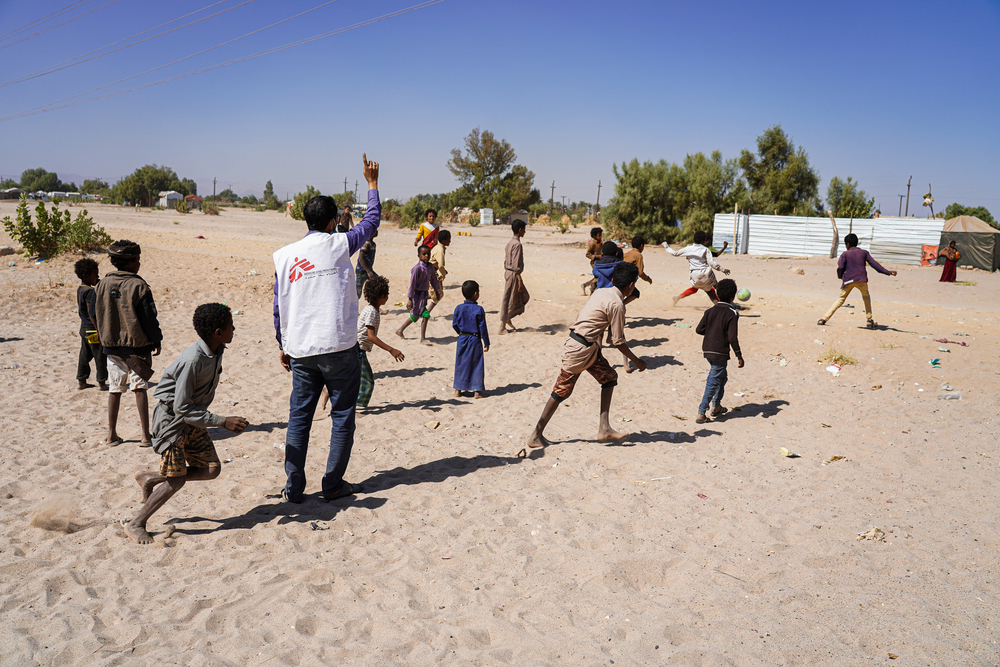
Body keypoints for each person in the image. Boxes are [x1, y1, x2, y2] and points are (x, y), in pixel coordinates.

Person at [272, 153, 381, 504]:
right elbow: (372, 220)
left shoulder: (285, 256)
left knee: (299, 419)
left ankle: (294, 487)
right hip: (339, 347)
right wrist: (372, 184)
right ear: (334, 221)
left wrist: (282, 344)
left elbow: (280, 305)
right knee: (342, 418)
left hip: (301, 349)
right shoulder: (340, 243)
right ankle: (332, 485)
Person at [125, 303, 248, 544]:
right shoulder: (193, 360)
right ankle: (136, 523)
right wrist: (223, 421)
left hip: (193, 419)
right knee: (177, 480)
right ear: (217, 332)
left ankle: (150, 478)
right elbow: (181, 407)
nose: (234, 328)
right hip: (172, 424)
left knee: (211, 470)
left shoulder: (217, 349)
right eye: (230, 326)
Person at [526, 262, 647, 448]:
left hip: (585, 346)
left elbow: (591, 320)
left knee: (609, 377)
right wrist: (636, 361)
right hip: (579, 350)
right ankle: (536, 434)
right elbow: (618, 341)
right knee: (561, 390)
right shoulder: (617, 304)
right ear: (631, 286)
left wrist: (597, 350)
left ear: (613, 280)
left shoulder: (601, 292)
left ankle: (604, 428)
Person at [94, 240, 163, 447]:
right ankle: (144, 435)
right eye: (138, 260)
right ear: (131, 262)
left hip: (112, 347)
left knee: (114, 389)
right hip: (138, 348)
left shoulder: (102, 284)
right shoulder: (139, 285)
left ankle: (111, 434)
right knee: (139, 389)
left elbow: (95, 313)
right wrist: (157, 339)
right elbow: (149, 317)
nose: (139, 264)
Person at [817, 233, 896, 329]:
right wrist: (887, 272)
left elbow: (840, 267)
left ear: (847, 244)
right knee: (866, 297)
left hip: (848, 280)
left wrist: (840, 276)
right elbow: (874, 264)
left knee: (840, 300)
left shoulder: (845, 254)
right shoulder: (864, 253)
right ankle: (869, 319)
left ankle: (824, 319)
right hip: (861, 279)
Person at [694, 279, 744, 424]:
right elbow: (732, 337)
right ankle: (702, 412)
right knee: (713, 380)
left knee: (722, 377)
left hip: (707, 349)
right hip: (720, 351)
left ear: (716, 294)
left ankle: (716, 406)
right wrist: (739, 355)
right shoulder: (732, 313)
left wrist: (712, 332)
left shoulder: (709, 310)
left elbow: (699, 330)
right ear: (733, 296)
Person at [356, 275, 404, 409]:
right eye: (386, 294)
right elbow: (371, 336)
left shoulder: (372, 309)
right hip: (357, 349)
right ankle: (358, 407)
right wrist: (391, 350)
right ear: (382, 297)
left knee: (354, 378)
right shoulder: (371, 312)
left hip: (358, 348)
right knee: (367, 381)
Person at [667, 230, 730, 306]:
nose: (709, 244)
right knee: (714, 287)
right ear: (704, 241)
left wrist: (666, 246)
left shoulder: (695, 249)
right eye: (708, 242)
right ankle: (725, 302)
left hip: (695, 275)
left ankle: (678, 297)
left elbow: (716, 254)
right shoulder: (705, 250)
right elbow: (712, 263)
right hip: (704, 274)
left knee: (697, 289)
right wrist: (722, 269)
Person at [395, 244, 441, 345]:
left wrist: (437, 291)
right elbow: (412, 285)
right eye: (424, 254)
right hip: (416, 295)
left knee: (422, 315)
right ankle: (420, 338)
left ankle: (401, 330)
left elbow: (434, 280)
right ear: (419, 256)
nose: (426, 256)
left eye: (428, 254)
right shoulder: (417, 268)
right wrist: (410, 299)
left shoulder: (430, 267)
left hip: (424, 295)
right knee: (420, 315)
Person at [74, 257, 108, 391]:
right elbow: (91, 312)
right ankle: (102, 383)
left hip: (84, 328)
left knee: (84, 355)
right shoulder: (89, 291)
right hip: (92, 329)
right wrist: (98, 329)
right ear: (86, 276)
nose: (97, 277)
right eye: (95, 275)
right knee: (100, 356)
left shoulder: (81, 288)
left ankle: (82, 380)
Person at [452, 280, 490, 399]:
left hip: (462, 339)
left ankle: (458, 390)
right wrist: (486, 342)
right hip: (474, 339)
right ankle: (477, 391)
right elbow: (483, 327)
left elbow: (454, 324)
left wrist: (461, 333)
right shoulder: (479, 309)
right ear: (475, 294)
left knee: (461, 363)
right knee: (477, 364)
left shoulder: (458, 308)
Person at [498, 220, 530, 334]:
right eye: (524, 229)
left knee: (521, 296)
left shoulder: (510, 243)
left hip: (509, 273)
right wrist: (519, 279)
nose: (525, 232)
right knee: (509, 299)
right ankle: (503, 325)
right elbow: (516, 265)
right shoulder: (517, 244)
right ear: (520, 230)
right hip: (513, 274)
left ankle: (507, 318)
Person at [428, 228, 451, 313]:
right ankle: (426, 312)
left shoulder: (438, 247)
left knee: (436, 293)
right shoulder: (440, 250)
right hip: (431, 272)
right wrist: (443, 275)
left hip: (432, 271)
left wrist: (444, 271)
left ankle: (421, 301)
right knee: (439, 295)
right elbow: (440, 265)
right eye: (449, 239)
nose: (450, 241)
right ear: (444, 240)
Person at [581, 226, 603, 295]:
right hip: (595, 263)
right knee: (598, 277)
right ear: (594, 236)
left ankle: (585, 285)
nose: (600, 237)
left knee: (598, 277)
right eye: (599, 235)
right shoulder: (592, 244)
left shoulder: (601, 243)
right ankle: (591, 291)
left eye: (601, 235)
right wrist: (595, 257)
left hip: (600, 263)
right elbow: (587, 254)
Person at [355, 229, 378, 298]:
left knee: (378, 284)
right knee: (357, 292)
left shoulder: (373, 244)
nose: (376, 231)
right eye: (375, 230)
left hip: (368, 270)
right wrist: (368, 271)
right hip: (362, 271)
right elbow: (361, 259)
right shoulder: (366, 244)